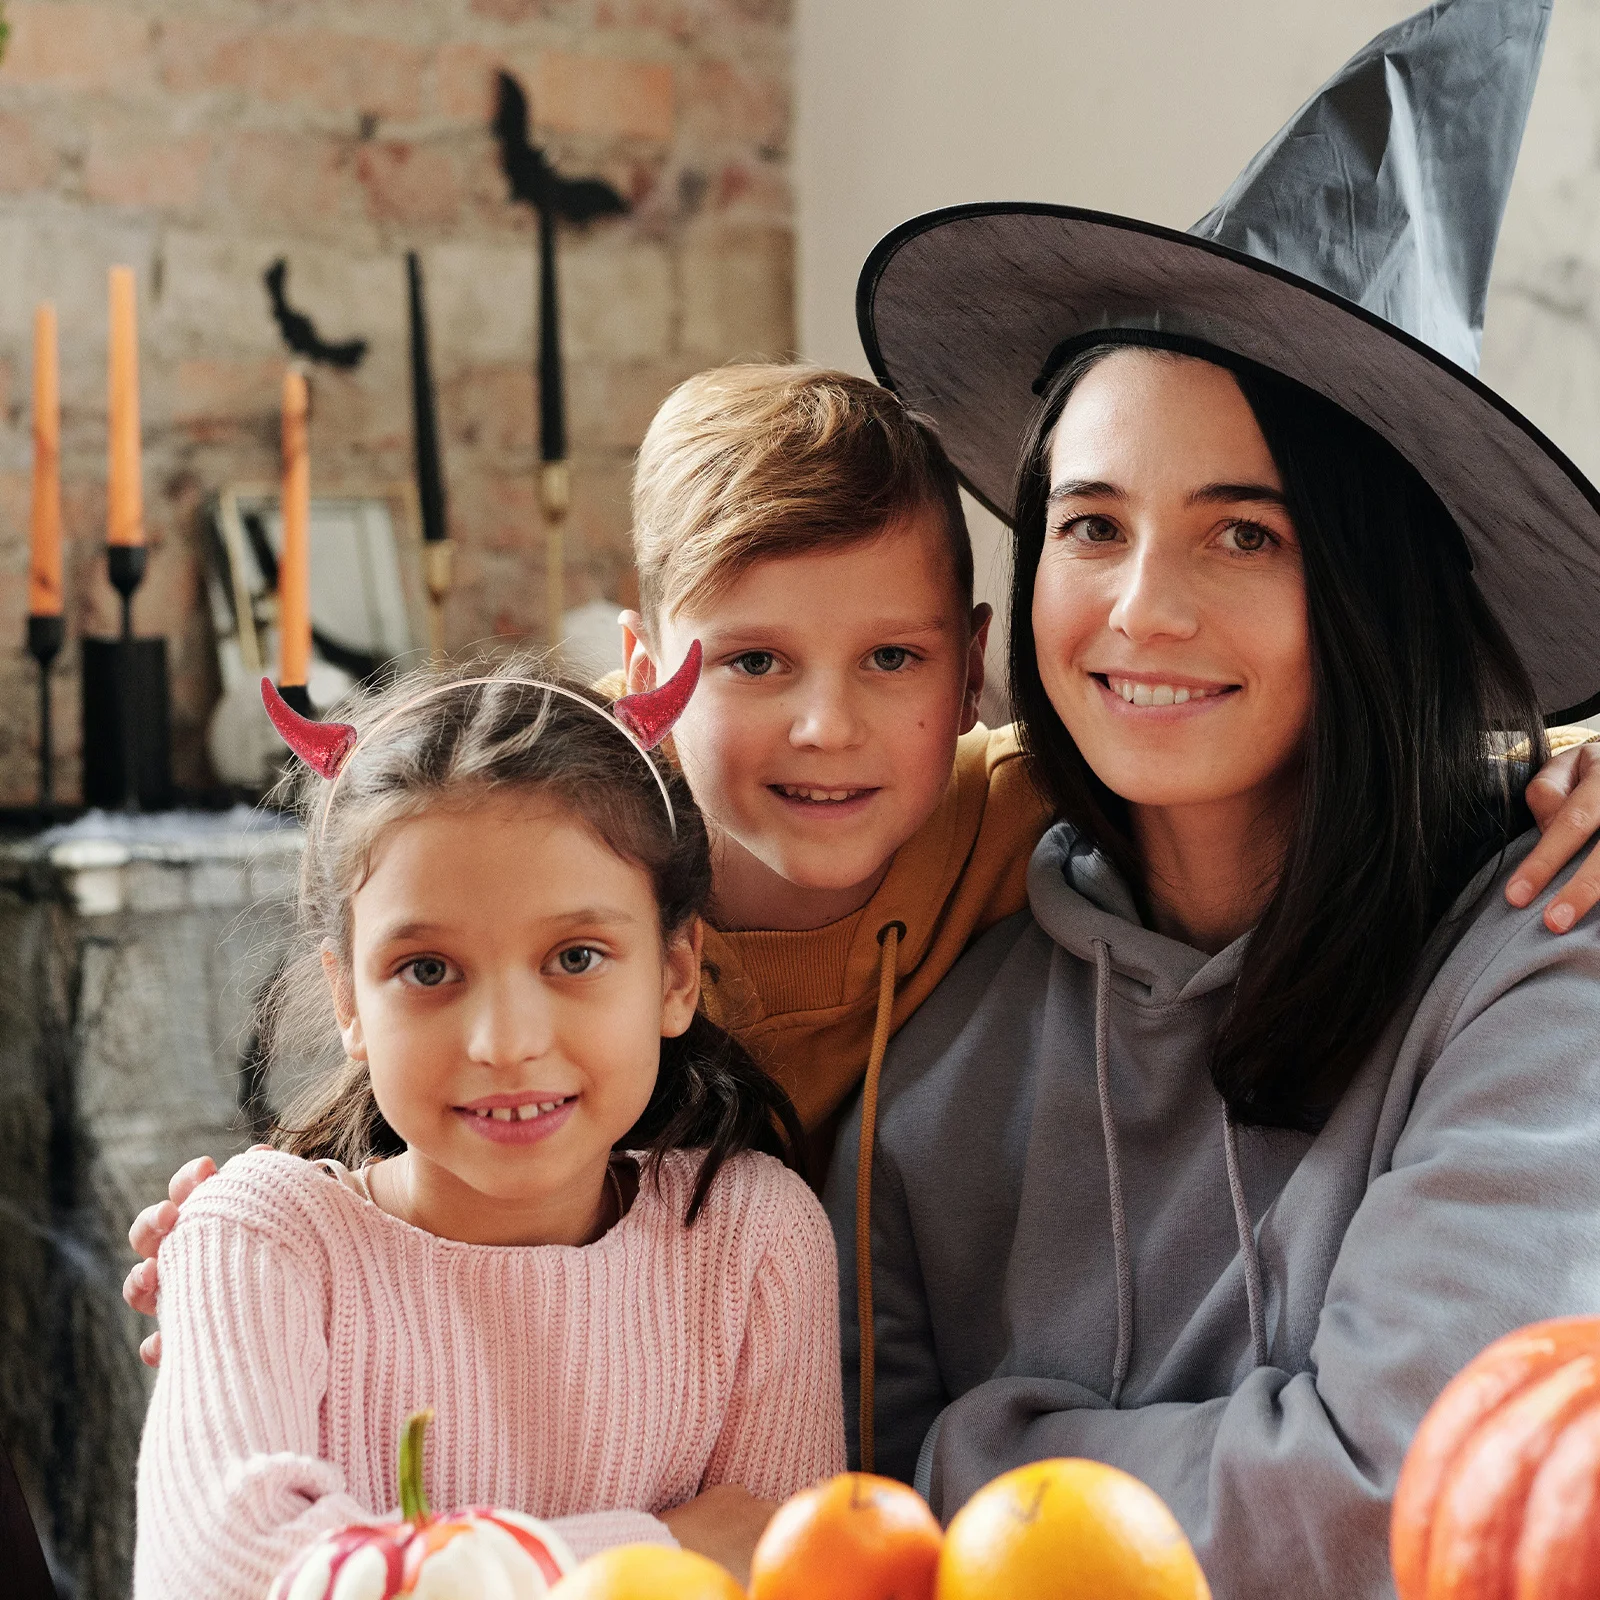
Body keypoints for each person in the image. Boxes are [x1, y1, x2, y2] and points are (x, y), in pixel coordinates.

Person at [827, 0, 1600, 1593]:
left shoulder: (1545, 958)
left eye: (1244, 533)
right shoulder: (927, 1054)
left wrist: (983, 1456)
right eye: (1093, 527)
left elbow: (1398, 1496)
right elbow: (833, 1521)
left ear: (1371, 591)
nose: (1142, 611)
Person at [133, 656, 844, 1600]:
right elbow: (220, 1581)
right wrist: (663, 1548)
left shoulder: (751, 1239)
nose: (504, 1043)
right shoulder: (260, 1239)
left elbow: (789, 1575)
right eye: (428, 970)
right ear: (350, 999)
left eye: (576, 956)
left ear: (675, 975)